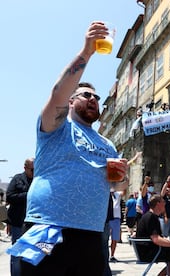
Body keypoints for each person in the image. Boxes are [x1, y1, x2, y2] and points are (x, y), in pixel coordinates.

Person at [7, 22, 129, 276]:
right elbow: (57, 94)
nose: (93, 99)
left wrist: (123, 177)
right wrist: (86, 53)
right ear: (71, 101)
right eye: (86, 95)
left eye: (96, 97)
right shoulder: (56, 126)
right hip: (48, 229)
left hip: (92, 235)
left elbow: (116, 188)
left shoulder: (107, 144)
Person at [136, 194, 170, 276]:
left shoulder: (149, 216)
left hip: (148, 250)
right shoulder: (151, 218)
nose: (165, 204)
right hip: (148, 252)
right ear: (158, 204)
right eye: (163, 202)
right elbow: (156, 239)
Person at [6, 157, 34, 276]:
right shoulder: (18, 179)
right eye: (32, 170)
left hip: (33, 224)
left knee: (32, 255)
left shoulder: (38, 180)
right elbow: (9, 196)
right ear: (25, 168)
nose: (34, 172)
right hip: (18, 223)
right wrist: (28, 195)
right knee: (17, 255)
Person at [109, 190, 123, 262]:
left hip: (116, 218)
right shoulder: (106, 193)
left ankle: (112, 255)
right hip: (107, 218)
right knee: (105, 239)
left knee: (114, 239)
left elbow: (124, 191)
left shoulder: (118, 193)